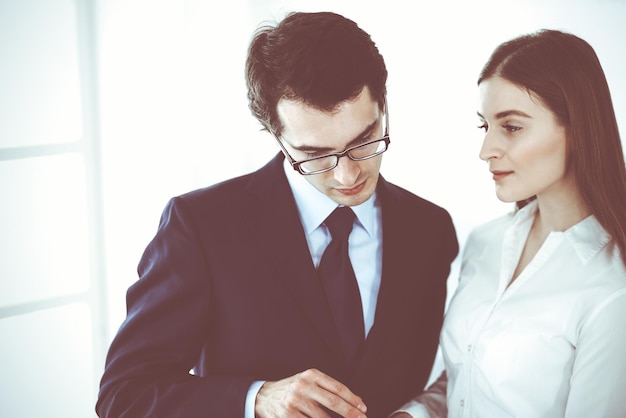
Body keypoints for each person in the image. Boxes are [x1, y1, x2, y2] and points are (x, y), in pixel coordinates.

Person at [96, 11, 458, 418]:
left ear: (383, 105)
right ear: (274, 134)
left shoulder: (431, 231)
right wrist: (256, 399)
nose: (348, 174)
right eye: (314, 155)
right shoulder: (201, 226)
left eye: (365, 139)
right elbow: (124, 395)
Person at [392, 29, 626, 418]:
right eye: (485, 126)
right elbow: (468, 378)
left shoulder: (612, 288)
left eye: (512, 127)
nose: (486, 150)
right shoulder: (485, 242)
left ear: (578, 129)